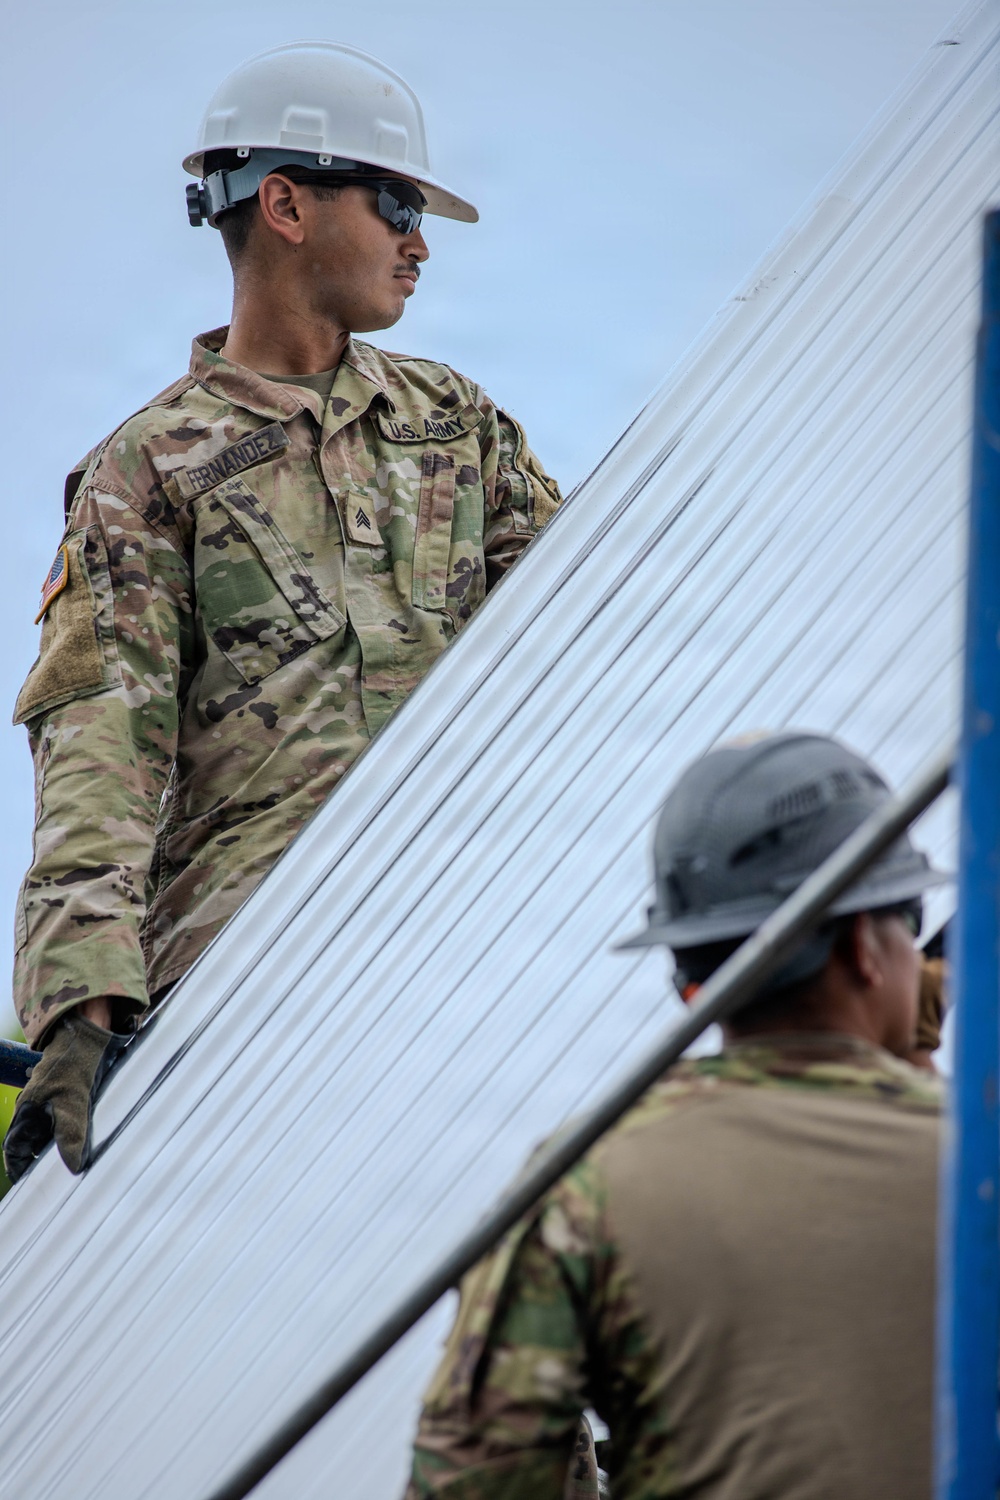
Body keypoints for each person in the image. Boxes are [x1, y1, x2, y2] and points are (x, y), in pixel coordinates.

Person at [4, 41, 562, 1182]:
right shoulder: (150, 470)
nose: (419, 241)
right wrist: (78, 999)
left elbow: (587, 631)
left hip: (477, 927)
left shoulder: (454, 418)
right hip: (256, 973)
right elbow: (103, 744)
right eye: (397, 202)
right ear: (285, 203)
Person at [406, 731, 946, 1500]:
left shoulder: (580, 1180)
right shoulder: (973, 1159)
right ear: (864, 943)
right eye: (908, 919)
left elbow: (474, 1480)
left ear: (689, 967)